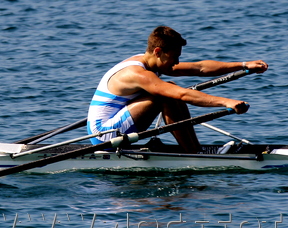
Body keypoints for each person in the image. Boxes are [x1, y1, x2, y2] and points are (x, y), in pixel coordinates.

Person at [87, 26, 268, 153]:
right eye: (174, 57)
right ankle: (194, 152)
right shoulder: (137, 73)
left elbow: (200, 68)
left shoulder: (150, 61)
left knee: (169, 92)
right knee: (168, 95)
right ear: (158, 51)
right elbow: (182, 94)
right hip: (105, 136)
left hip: (115, 123)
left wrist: (244, 65)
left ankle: (193, 149)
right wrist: (227, 102)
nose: (177, 63)